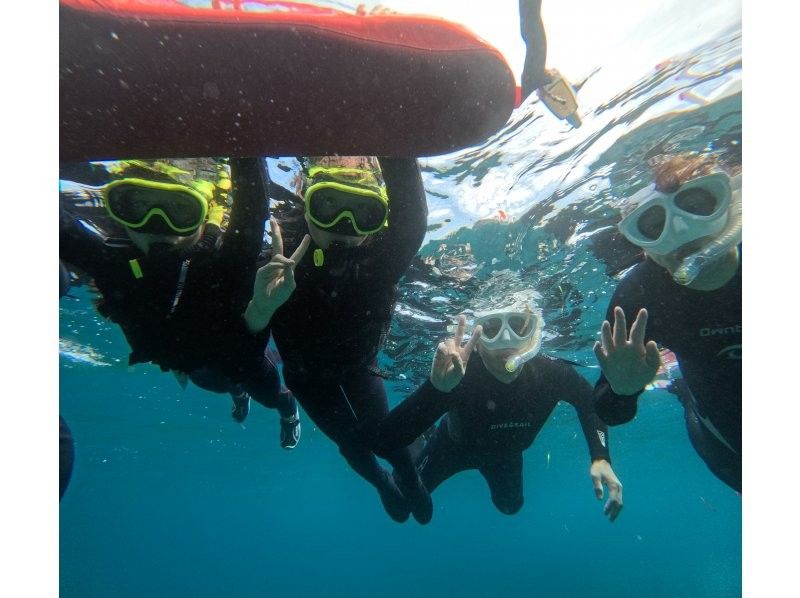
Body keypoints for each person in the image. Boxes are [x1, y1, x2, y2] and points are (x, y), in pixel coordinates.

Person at [59, 158, 301, 450]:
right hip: (193, 367)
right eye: (138, 206)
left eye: (181, 210)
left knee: (272, 396)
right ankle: (237, 393)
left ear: (203, 218)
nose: (158, 225)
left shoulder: (227, 261)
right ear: (120, 212)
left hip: (240, 362)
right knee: (216, 385)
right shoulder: (111, 265)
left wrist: (244, 146)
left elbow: (252, 209)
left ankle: (288, 412)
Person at [243, 155, 433, 524]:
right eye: (328, 206)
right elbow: (243, 354)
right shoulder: (277, 262)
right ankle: (381, 482)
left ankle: (408, 475)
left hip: (359, 366)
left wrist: (395, 143)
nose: (345, 226)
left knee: (385, 438)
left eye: (364, 213)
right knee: (351, 443)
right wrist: (261, 306)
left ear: (378, 221)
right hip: (307, 378)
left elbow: (412, 221)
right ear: (306, 207)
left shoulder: (382, 259)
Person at [371, 293, 624, 521]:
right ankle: (422, 438)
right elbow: (384, 441)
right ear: (477, 340)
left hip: (506, 457)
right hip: (451, 448)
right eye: (490, 329)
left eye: (519, 326)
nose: (506, 340)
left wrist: (601, 456)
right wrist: (436, 390)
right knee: (402, 506)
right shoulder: (459, 373)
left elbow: (588, 402)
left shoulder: (552, 373)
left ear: (534, 335)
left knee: (510, 507)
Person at [592, 153, 741, 491]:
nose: (682, 231)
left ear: (731, 205)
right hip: (723, 436)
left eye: (698, 206)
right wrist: (622, 390)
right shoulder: (641, 293)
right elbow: (610, 411)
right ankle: (685, 394)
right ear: (643, 246)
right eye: (653, 225)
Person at [519, 0, 582, 127]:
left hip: (535, 79)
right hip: (533, 81)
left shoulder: (537, 67)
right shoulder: (533, 78)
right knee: (530, 27)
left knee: (531, 26)